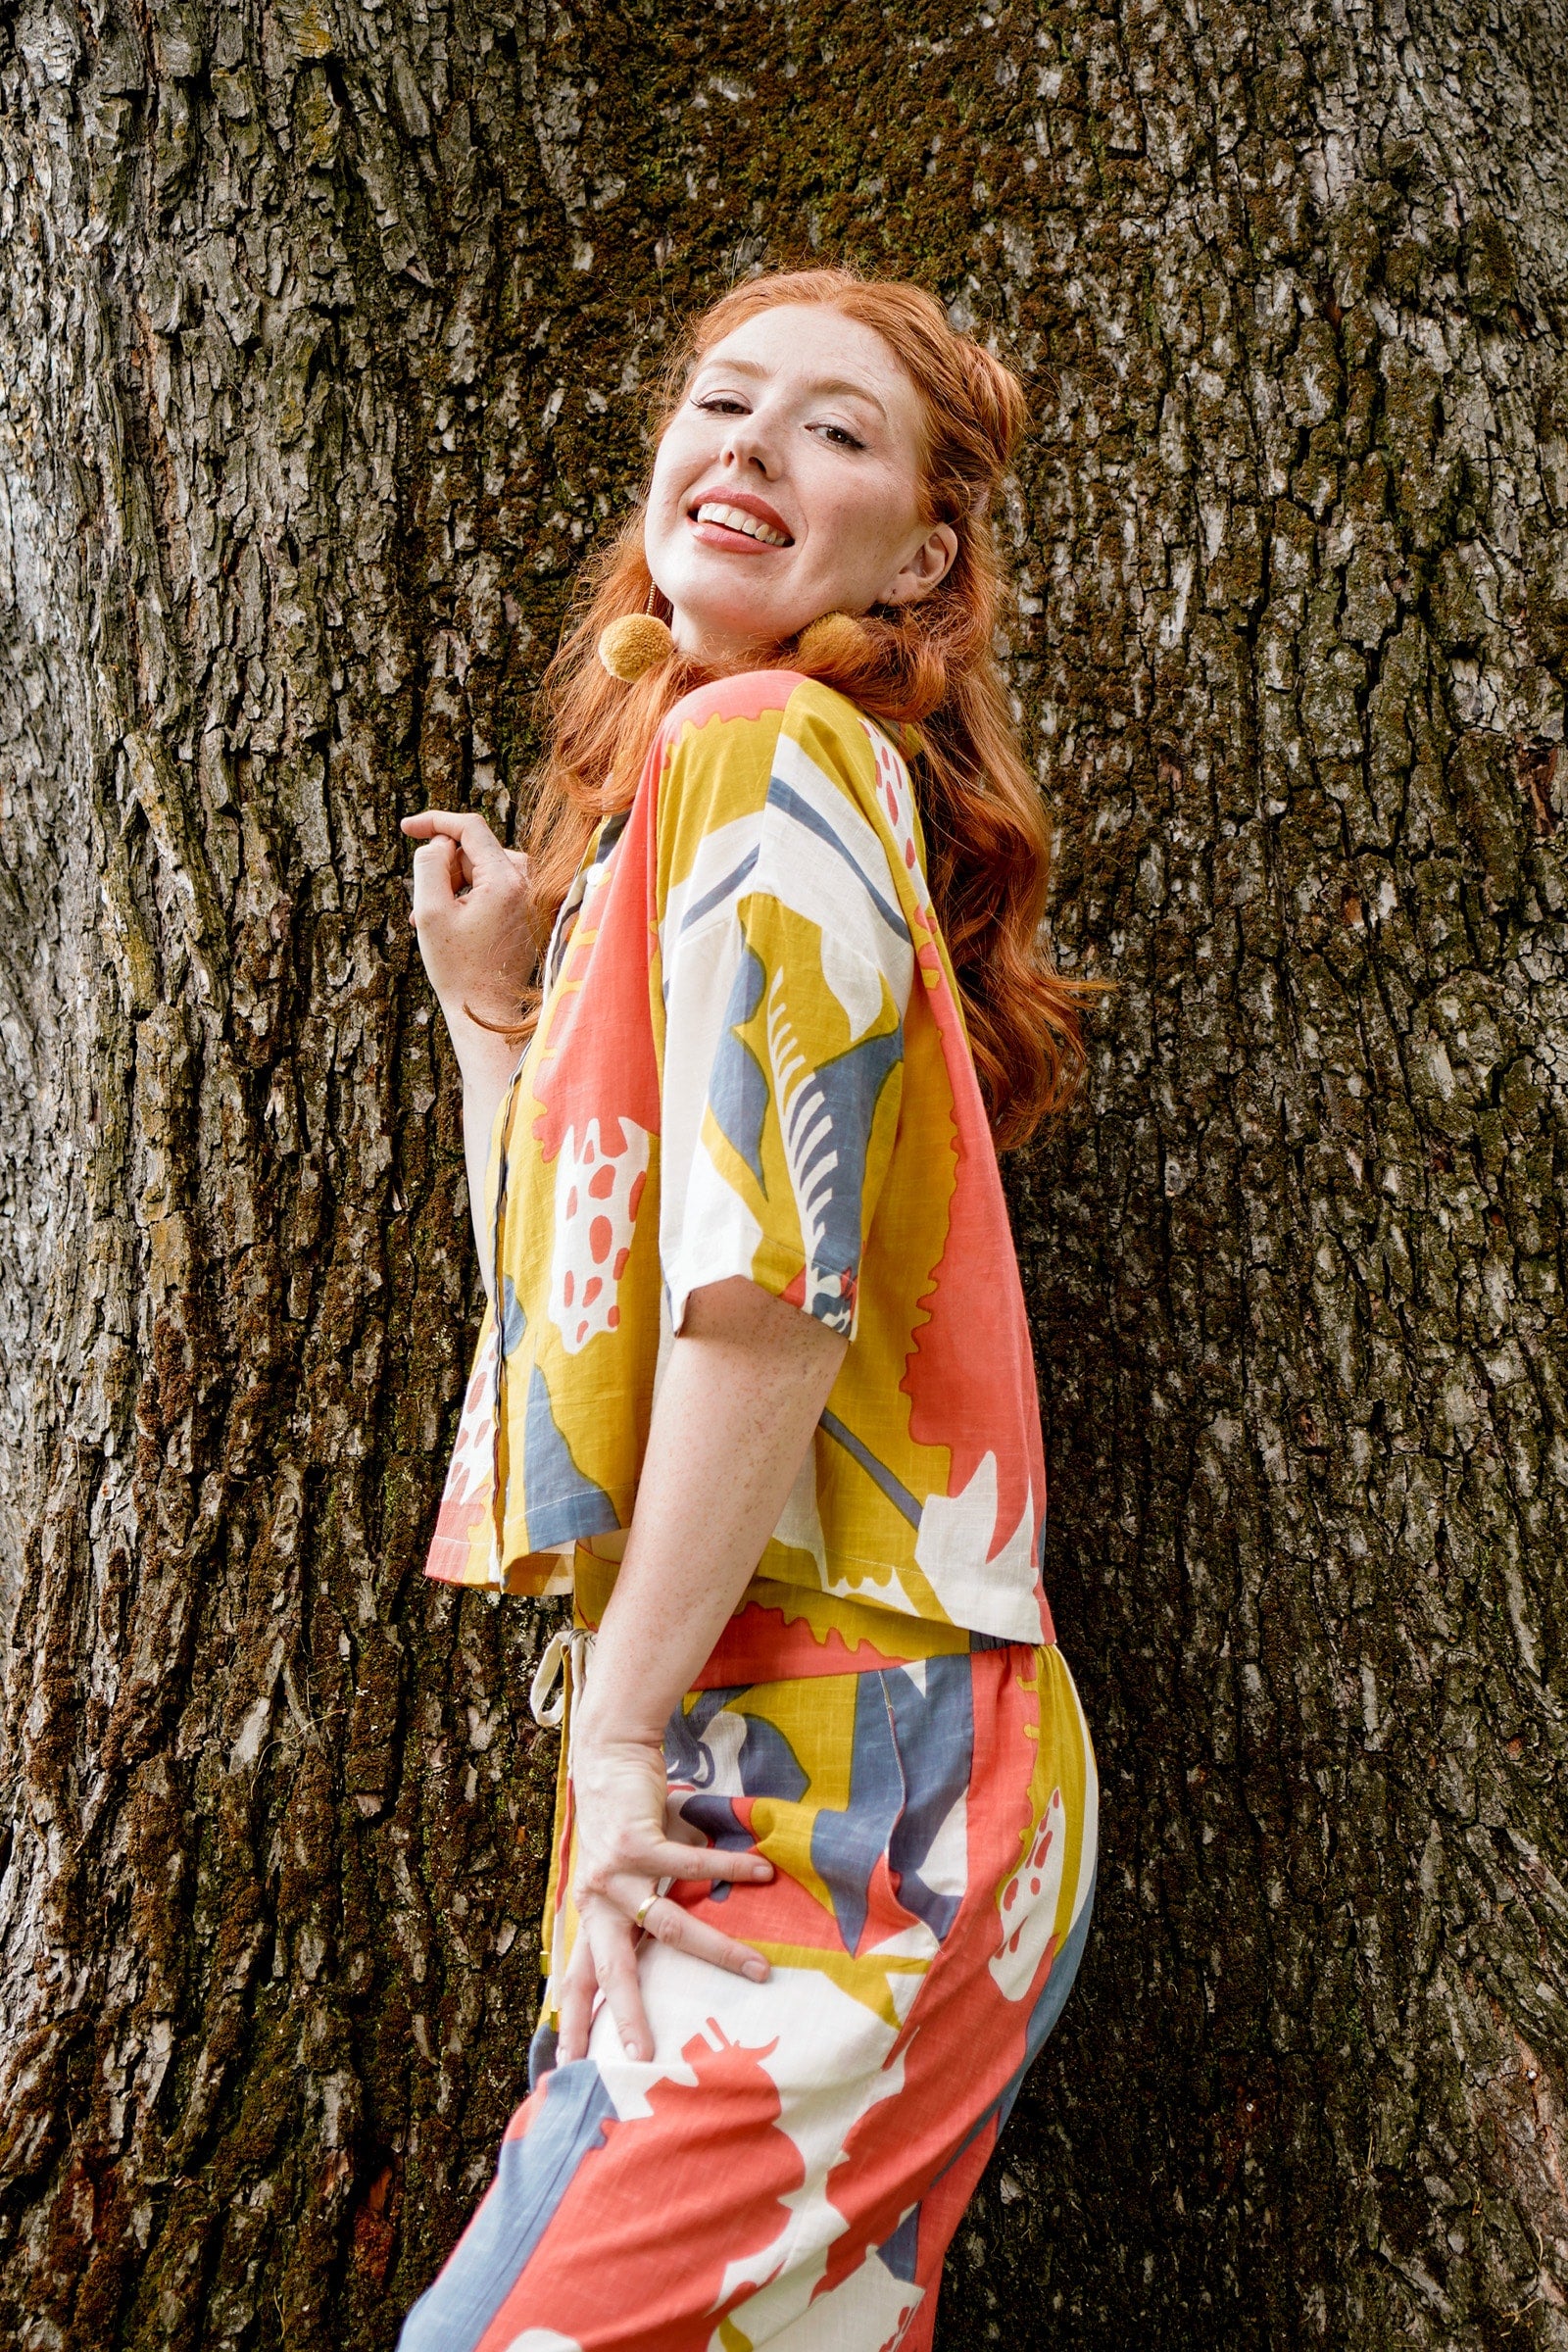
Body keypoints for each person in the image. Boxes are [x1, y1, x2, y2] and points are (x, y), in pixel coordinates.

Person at [396, 267, 1099, 2352]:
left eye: (834, 430)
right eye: (721, 401)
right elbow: (580, 1309)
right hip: (738, 1744)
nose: (753, 447)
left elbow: (769, 1309)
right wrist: (497, 1022)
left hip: (852, 1760)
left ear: (924, 555)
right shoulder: (701, 803)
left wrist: (614, 1738)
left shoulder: (769, 747)